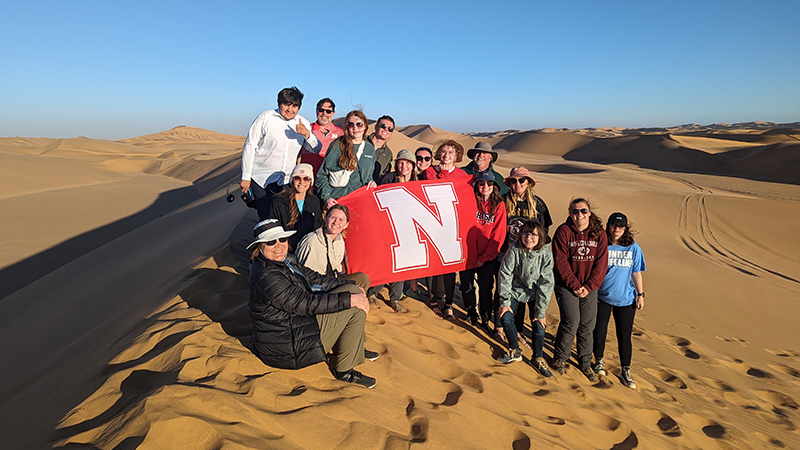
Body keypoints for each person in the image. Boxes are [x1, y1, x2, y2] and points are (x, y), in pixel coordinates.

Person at [247, 219, 376, 388]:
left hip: (301, 323)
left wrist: (350, 285)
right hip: (290, 345)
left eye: (282, 239)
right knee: (353, 304)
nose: (278, 245)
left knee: (360, 281)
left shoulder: (287, 260)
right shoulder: (266, 276)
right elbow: (304, 304)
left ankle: (353, 343)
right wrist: (350, 299)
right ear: (260, 247)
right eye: (271, 242)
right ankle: (344, 370)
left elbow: (316, 279)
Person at [550, 198, 609, 381]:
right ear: (570, 213)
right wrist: (575, 286)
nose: (579, 215)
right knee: (571, 321)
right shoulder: (563, 231)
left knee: (587, 325)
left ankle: (585, 363)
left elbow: (601, 263)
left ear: (589, 213)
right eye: (575, 211)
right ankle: (560, 358)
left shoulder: (599, 233)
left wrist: (589, 286)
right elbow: (560, 262)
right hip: (566, 285)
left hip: (590, 286)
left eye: (583, 211)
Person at [240, 86, 319, 220]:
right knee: (266, 217)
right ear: (279, 103)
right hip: (261, 178)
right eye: (286, 104)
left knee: (285, 216)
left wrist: (307, 134)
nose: (290, 109)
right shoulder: (265, 118)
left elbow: (316, 149)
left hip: (287, 180)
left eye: (294, 106)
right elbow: (250, 146)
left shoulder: (303, 122)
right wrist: (246, 176)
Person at [592, 212, 646, 389]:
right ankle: (598, 361)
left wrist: (641, 294)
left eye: (621, 226)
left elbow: (636, 272)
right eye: (614, 225)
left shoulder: (633, 248)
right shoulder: (602, 244)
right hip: (601, 297)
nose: (617, 229)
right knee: (599, 332)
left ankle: (625, 371)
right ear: (608, 226)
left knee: (624, 336)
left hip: (626, 299)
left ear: (625, 228)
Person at [502, 166, 553, 347]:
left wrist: (538, 257)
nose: (518, 184)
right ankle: (500, 327)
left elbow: (545, 232)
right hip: (505, 253)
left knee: (525, 291)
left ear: (528, 182)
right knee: (504, 289)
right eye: (514, 180)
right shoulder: (503, 201)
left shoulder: (538, 205)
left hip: (528, 257)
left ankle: (519, 330)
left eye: (521, 180)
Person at [497, 220, 554, 378]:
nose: (529, 238)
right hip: (515, 289)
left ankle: (537, 357)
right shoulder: (514, 248)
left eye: (533, 234)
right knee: (506, 316)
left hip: (536, 292)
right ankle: (515, 350)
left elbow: (546, 283)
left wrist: (540, 311)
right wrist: (504, 302)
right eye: (525, 234)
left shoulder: (545, 255)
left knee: (539, 324)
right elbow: (505, 273)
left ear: (540, 236)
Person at [419, 139, 469, 318]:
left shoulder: (463, 175)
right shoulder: (430, 172)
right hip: (432, 225)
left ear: (456, 156)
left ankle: (449, 303)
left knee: (449, 267)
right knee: (432, 265)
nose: (446, 155)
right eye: (443, 151)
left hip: (451, 226)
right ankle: (433, 300)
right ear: (438, 154)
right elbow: (430, 191)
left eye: (450, 152)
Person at [459, 171, 507, 328]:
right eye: (481, 183)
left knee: (485, 287)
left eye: (489, 183)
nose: (485, 186)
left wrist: (485, 257)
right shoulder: (469, 201)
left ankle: (486, 318)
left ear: (494, 186)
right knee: (466, 285)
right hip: (468, 252)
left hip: (488, 256)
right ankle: (471, 313)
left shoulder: (499, 206)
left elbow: (498, 234)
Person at [372, 149, 418, 312]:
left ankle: (395, 298)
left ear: (413, 165)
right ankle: (373, 292)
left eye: (407, 163)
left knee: (402, 263)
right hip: (388, 226)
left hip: (407, 229)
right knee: (385, 261)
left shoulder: (417, 182)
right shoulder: (388, 178)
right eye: (401, 162)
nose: (404, 166)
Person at [295, 205, 370, 293]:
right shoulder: (312, 241)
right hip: (316, 289)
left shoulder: (339, 240)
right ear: (325, 218)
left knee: (363, 279)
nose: (336, 222)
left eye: (341, 220)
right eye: (333, 218)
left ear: (346, 224)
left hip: (332, 281)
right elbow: (304, 277)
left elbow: (336, 266)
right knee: (353, 289)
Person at [316, 110, 377, 209]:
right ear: (347, 127)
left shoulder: (369, 149)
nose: (355, 128)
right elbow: (321, 176)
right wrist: (327, 198)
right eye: (351, 124)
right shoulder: (337, 146)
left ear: (365, 127)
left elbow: (369, 175)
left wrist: (372, 182)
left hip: (359, 202)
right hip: (337, 203)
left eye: (359, 124)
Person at [268, 164, 324, 250]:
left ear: (311, 182)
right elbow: (274, 228)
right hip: (287, 249)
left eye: (306, 178)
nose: (301, 182)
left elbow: (318, 225)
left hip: (309, 247)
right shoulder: (279, 202)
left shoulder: (315, 201)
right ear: (292, 180)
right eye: (297, 178)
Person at [300, 97, 343, 175]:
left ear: (333, 113)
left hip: (328, 177)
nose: (324, 114)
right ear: (316, 110)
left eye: (328, 111)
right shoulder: (306, 129)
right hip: (307, 177)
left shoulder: (340, 133)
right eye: (321, 110)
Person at [369, 115, 395, 182]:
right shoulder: (362, 141)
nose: (386, 129)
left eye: (390, 129)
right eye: (383, 126)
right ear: (376, 126)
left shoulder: (388, 153)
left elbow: (385, 175)